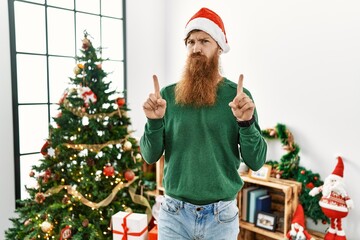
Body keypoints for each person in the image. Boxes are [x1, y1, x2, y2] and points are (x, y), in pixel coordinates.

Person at [140, 7, 267, 240]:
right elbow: (150, 155)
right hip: (174, 214)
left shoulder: (237, 98)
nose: (196, 48)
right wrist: (153, 121)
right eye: (190, 42)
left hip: (221, 217)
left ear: (218, 46)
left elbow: (256, 160)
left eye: (204, 41)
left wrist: (246, 122)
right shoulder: (167, 97)